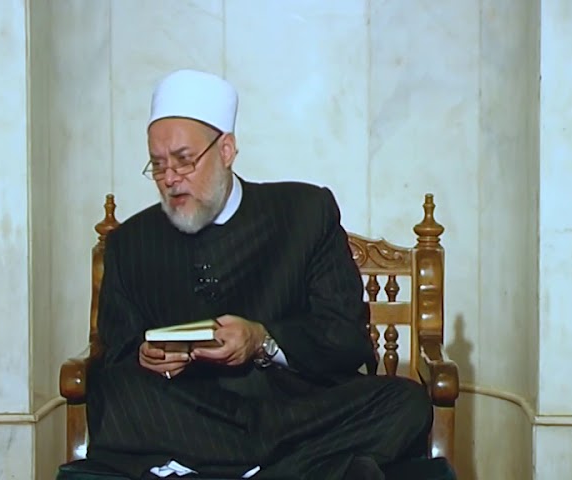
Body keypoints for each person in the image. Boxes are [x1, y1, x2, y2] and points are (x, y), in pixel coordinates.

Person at [86, 69, 435, 480]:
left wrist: (263, 341)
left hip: (294, 411)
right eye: (158, 166)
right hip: (191, 408)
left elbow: (346, 339)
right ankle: (300, 468)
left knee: (407, 403)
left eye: (184, 160)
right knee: (113, 395)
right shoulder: (131, 242)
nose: (171, 179)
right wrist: (149, 359)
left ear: (226, 150)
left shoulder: (304, 213)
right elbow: (119, 358)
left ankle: (216, 469)